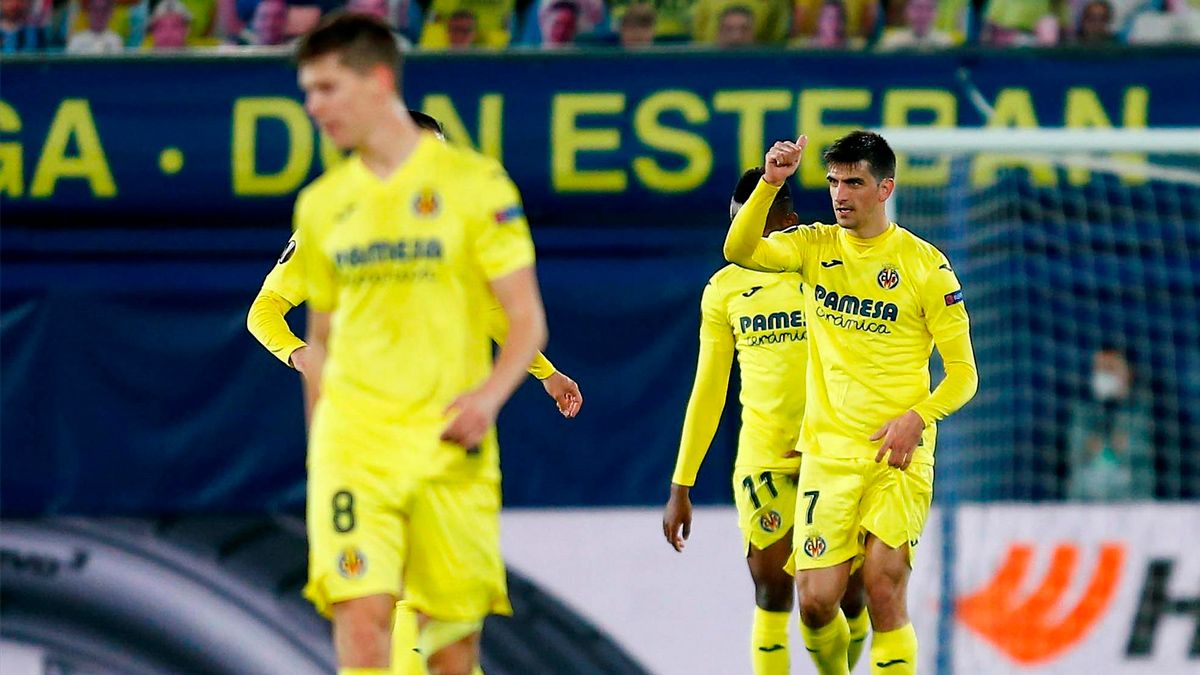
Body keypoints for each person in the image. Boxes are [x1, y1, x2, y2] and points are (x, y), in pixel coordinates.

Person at [285, 14, 552, 673]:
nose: (313, 107)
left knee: (451, 654)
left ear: (378, 80)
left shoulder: (475, 185)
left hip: (447, 444)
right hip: (357, 447)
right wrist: (321, 447)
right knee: (363, 619)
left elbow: (525, 322)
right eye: (307, 91)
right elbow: (319, 339)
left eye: (326, 88)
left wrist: (488, 399)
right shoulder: (322, 204)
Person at [724, 131, 978, 675]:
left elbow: (963, 375)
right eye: (834, 181)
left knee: (884, 587)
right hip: (828, 456)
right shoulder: (815, 247)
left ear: (885, 188)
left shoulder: (925, 268)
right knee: (815, 604)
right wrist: (771, 183)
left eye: (854, 183)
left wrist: (920, 417)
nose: (841, 194)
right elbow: (738, 250)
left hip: (896, 456)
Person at [247, 110, 582, 427]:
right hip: (361, 422)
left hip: (440, 420)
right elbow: (265, 308)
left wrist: (546, 373)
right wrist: (299, 355)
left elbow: (490, 310)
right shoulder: (332, 221)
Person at [662, 167, 870, 675]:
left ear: (791, 224)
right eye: (739, 226)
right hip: (765, 456)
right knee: (771, 587)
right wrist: (681, 484)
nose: (746, 238)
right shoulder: (724, 290)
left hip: (834, 453)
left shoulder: (829, 270)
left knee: (846, 596)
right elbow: (708, 390)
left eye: (759, 225)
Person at [1066, 347, 1153, 501]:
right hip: (1086, 500)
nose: (1104, 374)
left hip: (1135, 499)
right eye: (1099, 368)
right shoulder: (1082, 410)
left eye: (1110, 368)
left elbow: (1144, 452)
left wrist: (1111, 446)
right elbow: (1076, 451)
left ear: (1129, 372)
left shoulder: (1146, 409)